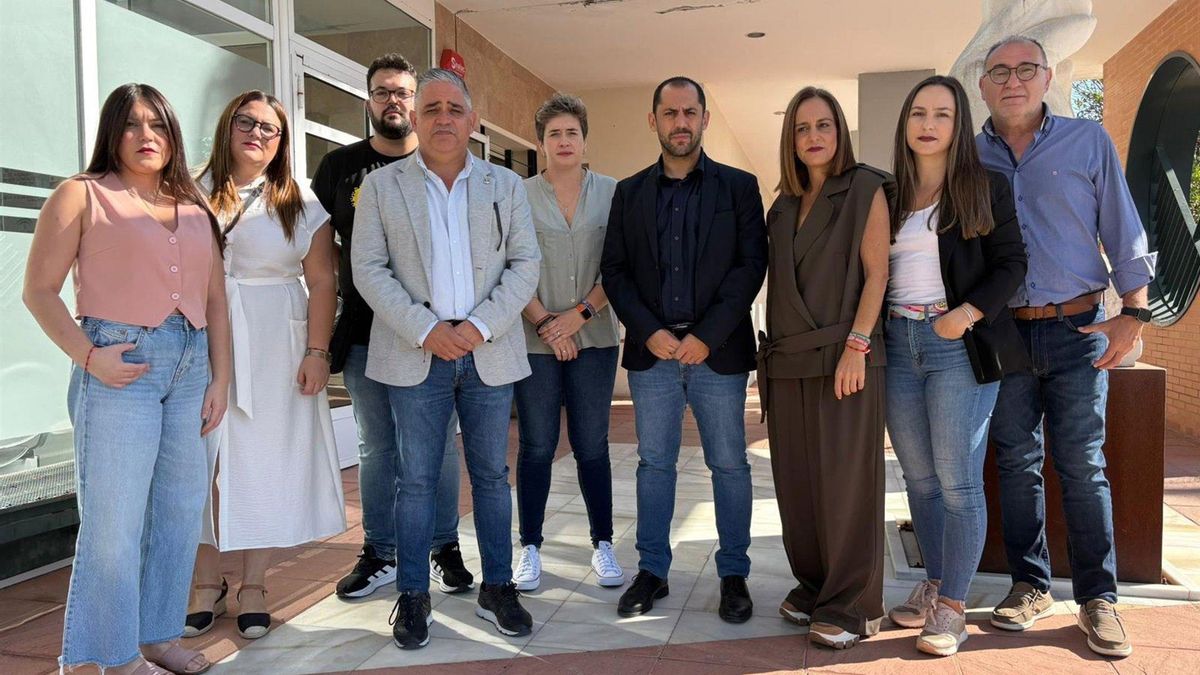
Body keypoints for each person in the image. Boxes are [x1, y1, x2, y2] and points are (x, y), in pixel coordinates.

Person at [23, 83, 230, 675]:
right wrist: (91, 358)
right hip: (119, 365)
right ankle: (108, 657)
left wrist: (221, 379)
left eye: (158, 125)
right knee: (114, 521)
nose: (146, 136)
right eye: (133, 124)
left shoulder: (194, 205)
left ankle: (158, 636)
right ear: (112, 133)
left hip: (191, 369)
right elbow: (39, 291)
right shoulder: (81, 194)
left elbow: (216, 302)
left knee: (177, 513)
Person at [976, 36, 1155, 658]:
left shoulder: (1087, 141)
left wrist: (1134, 313)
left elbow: (1123, 228)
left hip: (1078, 329)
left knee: (1082, 463)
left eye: (1026, 69)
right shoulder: (969, 155)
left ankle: (1098, 598)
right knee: (1016, 461)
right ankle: (1030, 585)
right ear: (983, 84)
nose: (1013, 81)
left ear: (1047, 77)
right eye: (1000, 71)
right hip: (1003, 332)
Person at [352, 69, 541, 649]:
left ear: (472, 121)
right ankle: (413, 595)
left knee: (492, 477)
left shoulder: (505, 185)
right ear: (414, 118)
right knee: (414, 480)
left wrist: (480, 326)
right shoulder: (382, 186)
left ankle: (498, 587)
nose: (442, 118)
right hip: (416, 352)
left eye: (454, 109)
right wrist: (426, 329)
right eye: (431, 108)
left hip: (489, 352)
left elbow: (525, 264)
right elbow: (368, 269)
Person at [600, 76, 767, 624]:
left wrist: (706, 335)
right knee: (654, 465)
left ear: (704, 119)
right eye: (670, 113)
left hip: (717, 352)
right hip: (654, 355)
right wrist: (647, 330)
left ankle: (733, 574)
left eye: (689, 112)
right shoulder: (629, 193)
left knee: (729, 465)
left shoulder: (738, 188)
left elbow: (750, 267)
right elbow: (615, 271)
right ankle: (652, 571)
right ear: (654, 120)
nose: (680, 123)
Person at [310, 52, 473, 601]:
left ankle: (443, 546)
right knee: (378, 447)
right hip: (365, 333)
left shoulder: (438, 164)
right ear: (369, 101)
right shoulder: (339, 168)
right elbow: (319, 255)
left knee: (439, 447)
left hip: (436, 336)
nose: (393, 102)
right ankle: (380, 551)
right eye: (382, 92)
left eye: (403, 92)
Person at [185, 90, 344, 640]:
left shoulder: (298, 198)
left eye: (269, 128)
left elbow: (322, 280)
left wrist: (317, 352)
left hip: (277, 338)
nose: (257, 134)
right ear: (227, 126)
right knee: (202, 461)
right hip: (201, 335)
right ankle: (206, 582)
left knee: (265, 460)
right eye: (246, 122)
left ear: (281, 141)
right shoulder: (190, 188)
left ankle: (254, 584)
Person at [882, 75, 1027, 657]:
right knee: (918, 478)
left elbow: (1012, 263)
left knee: (958, 480)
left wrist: (965, 313)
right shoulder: (888, 193)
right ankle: (936, 582)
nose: (928, 124)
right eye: (919, 112)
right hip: (897, 344)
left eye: (942, 114)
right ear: (906, 123)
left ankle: (953, 609)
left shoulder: (985, 187)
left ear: (958, 124)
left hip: (957, 346)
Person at [756, 86, 891, 649]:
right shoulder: (782, 206)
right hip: (788, 361)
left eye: (823, 125)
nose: (813, 136)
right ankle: (814, 585)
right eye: (802, 127)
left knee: (845, 483)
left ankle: (853, 605)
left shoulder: (865, 188)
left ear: (840, 132)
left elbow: (877, 273)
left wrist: (858, 346)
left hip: (845, 355)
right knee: (799, 486)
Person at [511, 93, 623, 591]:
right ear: (540, 143)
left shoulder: (613, 193)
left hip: (594, 338)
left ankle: (603, 543)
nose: (563, 141)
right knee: (536, 445)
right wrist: (547, 325)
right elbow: (508, 266)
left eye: (571, 133)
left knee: (591, 445)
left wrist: (577, 318)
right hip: (534, 340)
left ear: (584, 141)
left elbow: (619, 267)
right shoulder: (518, 194)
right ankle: (530, 547)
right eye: (553, 134)